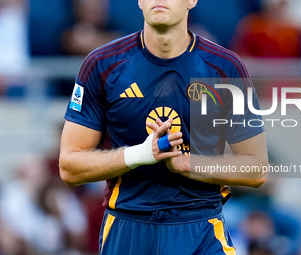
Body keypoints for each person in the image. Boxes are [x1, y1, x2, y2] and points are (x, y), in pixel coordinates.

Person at [59, 0, 268, 254]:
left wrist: (186, 164)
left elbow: (256, 168)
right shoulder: (102, 64)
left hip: (201, 227)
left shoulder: (224, 67)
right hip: (128, 226)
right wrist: (142, 154)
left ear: (192, 1)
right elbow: (70, 166)